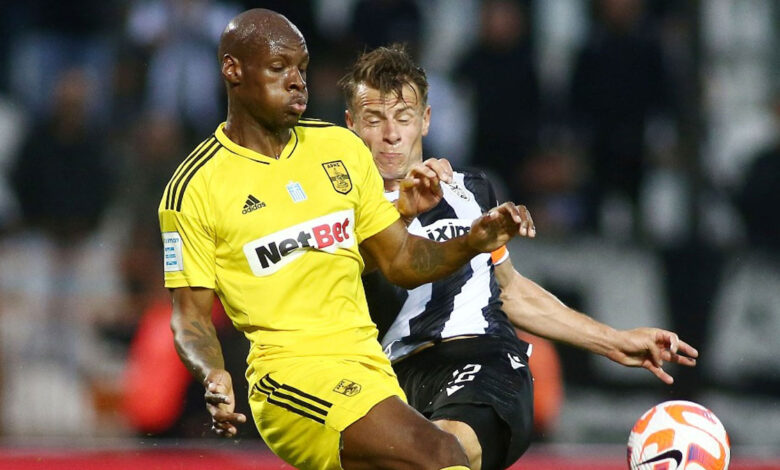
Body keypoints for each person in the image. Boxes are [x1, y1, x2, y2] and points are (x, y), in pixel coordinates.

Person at [157, 9, 534, 470]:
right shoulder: (195, 186)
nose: (297, 82)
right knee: (440, 454)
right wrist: (211, 371)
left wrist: (472, 242)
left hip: (370, 367)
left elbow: (401, 259)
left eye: (302, 68)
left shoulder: (338, 148)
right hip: (292, 374)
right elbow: (190, 318)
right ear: (233, 70)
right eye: (279, 68)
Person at [339, 44, 699, 470]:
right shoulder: (334, 211)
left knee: (441, 454)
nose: (391, 135)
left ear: (426, 119)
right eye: (374, 120)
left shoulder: (468, 190)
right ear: (351, 125)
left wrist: (613, 341)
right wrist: (400, 212)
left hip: (479, 357)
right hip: (388, 378)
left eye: (403, 117)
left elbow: (508, 290)